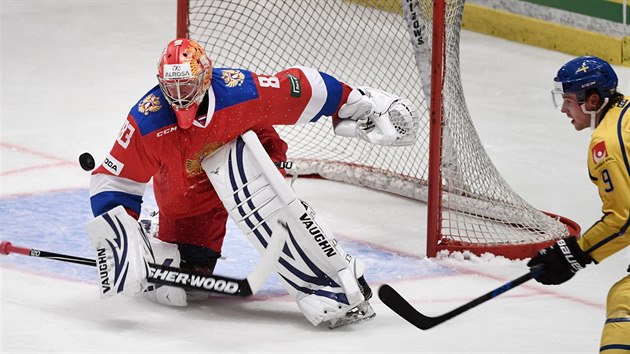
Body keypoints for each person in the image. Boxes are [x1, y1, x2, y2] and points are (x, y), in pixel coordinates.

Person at [86, 38, 417, 328]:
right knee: (187, 288)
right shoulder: (147, 120)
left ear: (204, 77)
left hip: (250, 164)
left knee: (262, 200)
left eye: (186, 86)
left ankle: (328, 283)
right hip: (188, 195)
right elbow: (115, 179)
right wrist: (121, 241)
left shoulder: (238, 90)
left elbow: (300, 87)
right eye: (170, 88)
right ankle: (156, 234)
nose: (178, 96)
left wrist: (357, 101)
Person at [528, 56, 629, 352]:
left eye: (569, 101)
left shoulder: (608, 143)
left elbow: (623, 220)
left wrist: (575, 253)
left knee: (625, 300)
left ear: (593, 100)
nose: (563, 109)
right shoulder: (624, 113)